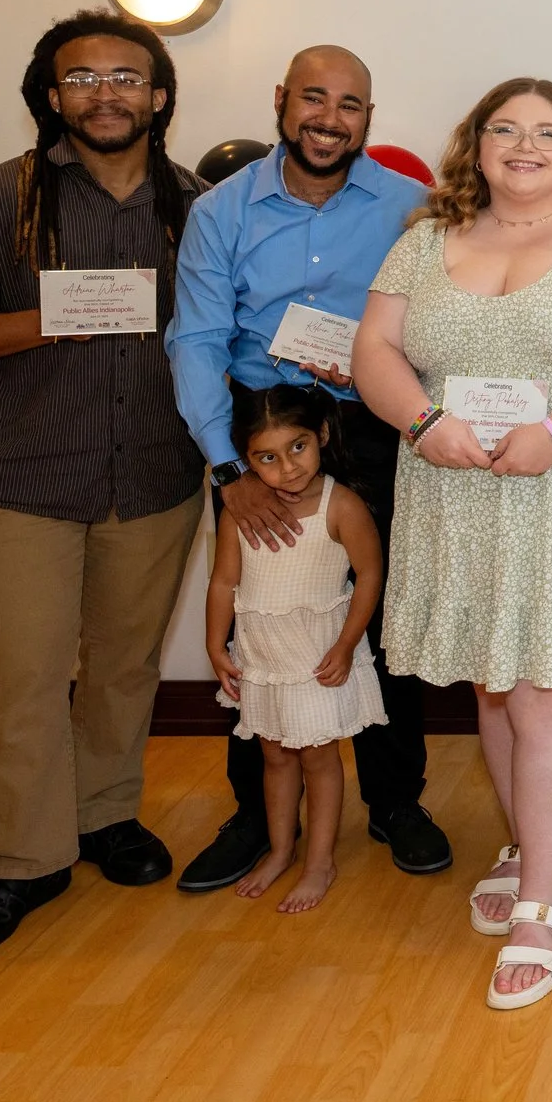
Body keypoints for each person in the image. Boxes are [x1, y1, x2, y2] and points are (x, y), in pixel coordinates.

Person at [351, 78, 552, 1012]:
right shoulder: (422, 242)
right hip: (457, 485)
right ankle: (530, 842)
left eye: (545, 133)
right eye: (504, 129)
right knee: (498, 680)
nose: (523, 146)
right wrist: (420, 421)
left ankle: (542, 899)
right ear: (477, 145)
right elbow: (377, 348)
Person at [0, 10, 207, 962]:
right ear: (50, 94)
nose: (106, 94)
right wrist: (50, 318)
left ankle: (106, 816)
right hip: (16, 480)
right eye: (83, 78)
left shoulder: (197, 206)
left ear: (159, 95)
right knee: (23, 676)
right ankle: (23, 862)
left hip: (155, 474)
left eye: (127, 77)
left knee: (123, 664)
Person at [166, 45, 451, 892]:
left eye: (351, 104)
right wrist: (229, 470)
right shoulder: (222, 213)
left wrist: (381, 363)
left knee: (386, 610)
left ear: (369, 115)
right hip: (263, 432)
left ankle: (396, 799)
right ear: (282, 101)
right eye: (314, 100)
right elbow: (195, 340)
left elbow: (444, 322)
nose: (330, 119)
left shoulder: (414, 210)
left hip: (371, 426)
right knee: (266, 616)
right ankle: (258, 816)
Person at [203, 384, 387, 914]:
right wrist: (217, 645)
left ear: (322, 436)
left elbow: (370, 573)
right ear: (247, 460)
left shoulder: (341, 504)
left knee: (318, 758)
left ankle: (320, 862)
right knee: (274, 756)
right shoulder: (241, 513)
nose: (287, 467)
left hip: (316, 657)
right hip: (263, 658)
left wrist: (348, 644)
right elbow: (223, 583)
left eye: (298, 447)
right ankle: (282, 848)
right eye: (267, 457)